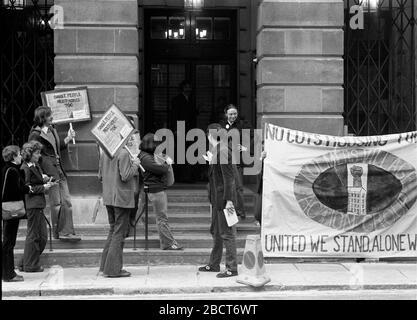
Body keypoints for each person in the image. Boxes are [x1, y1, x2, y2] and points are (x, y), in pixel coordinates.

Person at [28, 106, 80, 241]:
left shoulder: (52, 130)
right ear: (42, 118)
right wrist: (40, 173)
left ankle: (67, 231)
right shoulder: (35, 134)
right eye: (49, 115)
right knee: (56, 203)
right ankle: (58, 232)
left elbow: (56, 148)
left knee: (67, 201)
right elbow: (31, 155)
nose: (52, 117)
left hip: (59, 170)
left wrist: (68, 138)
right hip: (49, 172)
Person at [199, 123, 238, 278]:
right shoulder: (218, 151)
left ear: (210, 135)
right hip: (217, 199)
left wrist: (229, 200)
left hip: (224, 200)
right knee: (216, 232)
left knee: (227, 233)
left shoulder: (222, 151)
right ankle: (214, 264)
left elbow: (230, 179)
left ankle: (232, 268)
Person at [98, 141, 142, 278]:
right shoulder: (123, 153)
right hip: (121, 198)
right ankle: (113, 269)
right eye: (131, 138)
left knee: (113, 230)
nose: (133, 141)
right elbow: (126, 176)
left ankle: (105, 266)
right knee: (119, 233)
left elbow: (100, 176)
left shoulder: (105, 153)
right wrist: (135, 164)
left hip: (109, 196)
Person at [138, 133, 183, 250]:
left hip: (156, 188)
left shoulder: (148, 155)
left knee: (162, 217)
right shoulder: (145, 157)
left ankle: (166, 242)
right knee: (162, 218)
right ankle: (168, 243)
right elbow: (161, 168)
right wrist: (167, 161)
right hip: (155, 190)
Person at [19, 141, 55, 272]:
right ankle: (30, 265)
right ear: (30, 154)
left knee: (42, 237)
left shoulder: (35, 165)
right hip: (32, 205)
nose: (39, 156)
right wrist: (43, 187)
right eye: (37, 153)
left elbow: (38, 178)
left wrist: (44, 178)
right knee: (34, 236)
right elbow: (27, 188)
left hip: (38, 205)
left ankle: (24, 262)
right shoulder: (25, 168)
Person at [1, 145, 30, 282]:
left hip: (7, 209)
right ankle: (9, 274)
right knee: (9, 242)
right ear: (13, 156)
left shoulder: (6, 169)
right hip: (11, 210)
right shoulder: (12, 170)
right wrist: (27, 188)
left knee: (7, 242)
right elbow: (16, 190)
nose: (21, 157)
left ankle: (6, 272)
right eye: (19, 154)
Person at [220, 104, 251, 219]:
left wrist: (245, 148)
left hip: (237, 161)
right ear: (226, 115)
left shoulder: (241, 125)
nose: (233, 116)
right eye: (231, 114)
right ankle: (227, 213)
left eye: (235, 114)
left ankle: (240, 212)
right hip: (224, 161)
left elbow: (251, 138)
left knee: (238, 187)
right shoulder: (221, 126)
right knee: (226, 187)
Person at [170, 80, 199, 182]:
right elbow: (174, 115)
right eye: (186, 87)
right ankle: (179, 176)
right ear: (182, 88)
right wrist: (175, 129)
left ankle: (189, 176)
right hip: (180, 129)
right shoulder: (176, 100)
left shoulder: (192, 99)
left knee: (190, 153)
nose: (188, 89)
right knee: (180, 154)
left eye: (189, 87)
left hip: (191, 130)